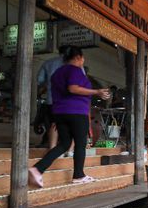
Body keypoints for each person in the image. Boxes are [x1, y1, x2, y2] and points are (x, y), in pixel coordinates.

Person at [28, 46, 109, 187]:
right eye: (82, 58)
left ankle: (37, 169)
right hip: (76, 111)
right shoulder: (74, 70)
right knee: (80, 143)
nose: (83, 61)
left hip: (60, 112)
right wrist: (97, 92)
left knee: (64, 144)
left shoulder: (57, 73)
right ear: (78, 57)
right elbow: (73, 88)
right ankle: (79, 175)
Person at [36, 48, 65, 149]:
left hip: (51, 100)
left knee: (53, 124)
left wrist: (48, 84)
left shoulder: (48, 63)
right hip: (68, 103)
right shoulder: (74, 64)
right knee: (67, 125)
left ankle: (52, 145)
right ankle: (64, 146)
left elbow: (39, 80)